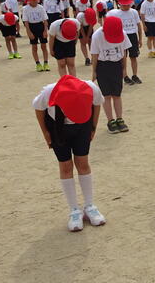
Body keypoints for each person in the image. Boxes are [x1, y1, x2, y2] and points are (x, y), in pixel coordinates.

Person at [33, 75, 106, 232]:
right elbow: (38, 108)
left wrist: (93, 127)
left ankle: (89, 205)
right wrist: (45, 132)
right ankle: (74, 210)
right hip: (57, 127)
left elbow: (98, 104)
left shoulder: (92, 88)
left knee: (83, 163)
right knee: (66, 165)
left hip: (82, 125)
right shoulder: (49, 92)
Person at [91, 16, 131, 134]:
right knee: (106, 95)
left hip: (117, 65)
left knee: (117, 94)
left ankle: (119, 118)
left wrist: (124, 68)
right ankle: (111, 120)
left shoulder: (122, 34)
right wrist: (94, 71)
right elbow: (94, 55)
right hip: (103, 66)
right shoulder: (97, 36)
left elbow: (124, 52)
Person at [107, 0, 143, 84]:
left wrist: (140, 39)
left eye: (128, 4)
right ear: (119, 4)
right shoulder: (115, 14)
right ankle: (125, 76)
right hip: (121, 37)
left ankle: (135, 75)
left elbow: (139, 25)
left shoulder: (134, 12)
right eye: (124, 4)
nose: (126, 6)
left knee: (133, 57)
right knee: (123, 58)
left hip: (132, 36)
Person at [21, 0, 50, 72]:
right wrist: (29, 32)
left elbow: (45, 20)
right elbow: (26, 22)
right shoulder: (25, 9)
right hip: (32, 27)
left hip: (40, 26)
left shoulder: (41, 7)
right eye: (33, 0)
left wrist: (45, 30)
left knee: (44, 46)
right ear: (29, 0)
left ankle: (46, 63)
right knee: (34, 47)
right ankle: (38, 64)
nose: (35, 1)